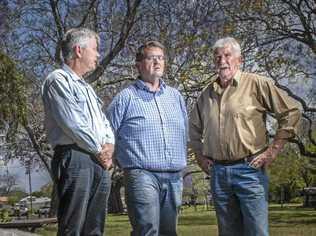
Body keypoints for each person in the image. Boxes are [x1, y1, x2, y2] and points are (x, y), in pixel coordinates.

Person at [189, 37, 301, 236]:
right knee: (228, 233)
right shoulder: (206, 94)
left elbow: (291, 112)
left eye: (227, 55)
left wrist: (273, 151)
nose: (222, 61)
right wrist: (199, 156)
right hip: (218, 174)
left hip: (250, 170)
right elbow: (193, 129)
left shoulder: (257, 83)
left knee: (256, 231)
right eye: (217, 57)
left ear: (240, 60)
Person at [106, 41, 188, 236]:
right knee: (147, 230)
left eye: (160, 58)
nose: (157, 62)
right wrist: (114, 158)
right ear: (138, 64)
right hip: (141, 174)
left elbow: (185, 130)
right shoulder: (126, 97)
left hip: (175, 175)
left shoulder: (175, 96)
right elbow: (106, 132)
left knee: (170, 232)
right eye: (151, 58)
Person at [42, 28, 115, 236]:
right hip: (76, 157)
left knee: (94, 227)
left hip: (98, 160)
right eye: (94, 49)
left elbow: (103, 122)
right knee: (72, 226)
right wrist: (100, 150)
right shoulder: (57, 80)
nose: (98, 55)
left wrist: (109, 146)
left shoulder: (87, 88)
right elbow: (73, 123)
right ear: (79, 50)